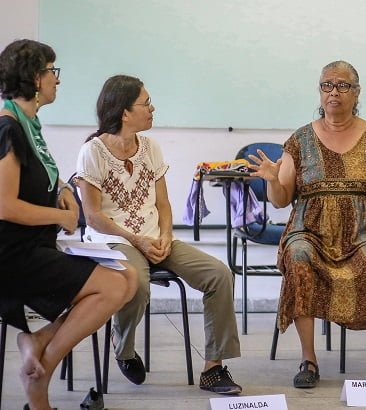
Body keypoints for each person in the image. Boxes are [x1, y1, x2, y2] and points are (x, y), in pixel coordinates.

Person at [248, 60, 366, 388]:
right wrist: (273, 180)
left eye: (343, 85)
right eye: (327, 85)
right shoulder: (300, 139)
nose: (334, 92)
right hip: (309, 231)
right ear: (319, 91)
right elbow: (281, 200)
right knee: (298, 256)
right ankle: (308, 361)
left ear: (356, 93)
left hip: (363, 232)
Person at [74, 75, 243, 395]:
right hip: (115, 240)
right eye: (146, 103)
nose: (152, 109)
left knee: (219, 274)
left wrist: (166, 235)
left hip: (155, 239)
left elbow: (163, 204)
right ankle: (124, 349)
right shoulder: (92, 152)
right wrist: (137, 240)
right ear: (125, 112)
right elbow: (93, 216)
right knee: (136, 282)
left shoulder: (151, 148)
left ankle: (213, 368)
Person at [0, 39, 136, 409]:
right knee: (112, 286)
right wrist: (61, 216)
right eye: (51, 72)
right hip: (14, 256)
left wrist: (61, 187)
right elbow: (6, 206)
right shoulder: (9, 129)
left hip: (37, 246)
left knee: (127, 278)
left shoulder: (28, 124)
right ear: (34, 78)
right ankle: (40, 376)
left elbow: (36, 172)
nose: (56, 80)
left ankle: (40, 341)